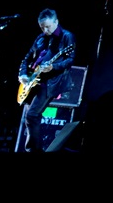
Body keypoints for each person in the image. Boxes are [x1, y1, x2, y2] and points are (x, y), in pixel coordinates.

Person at [17, 8, 76, 152]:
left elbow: (70, 60)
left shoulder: (67, 37)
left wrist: (53, 67)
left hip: (50, 82)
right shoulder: (40, 38)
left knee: (32, 115)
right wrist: (23, 74)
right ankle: (35, 148)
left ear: (56, 22)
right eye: (42, 27)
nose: (45, 30)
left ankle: (33, 150)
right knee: (29, 117)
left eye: (48, 27)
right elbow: (27, 57)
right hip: (33, 80)